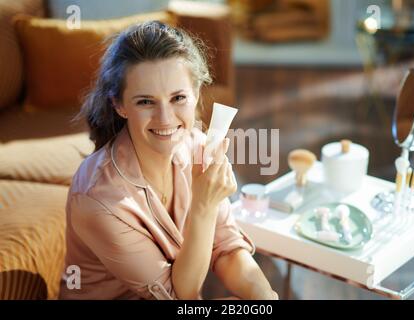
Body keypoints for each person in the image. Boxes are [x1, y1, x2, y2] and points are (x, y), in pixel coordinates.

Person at [59, 21, 278, 300]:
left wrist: (265, 295)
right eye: (145, 102)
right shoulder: (99, 200)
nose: (165, 119)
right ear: (120, 105)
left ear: (196, 94)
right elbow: (177, 295)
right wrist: (203, 205)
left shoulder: (198, 146)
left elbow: (226, 245)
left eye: (178, 98)